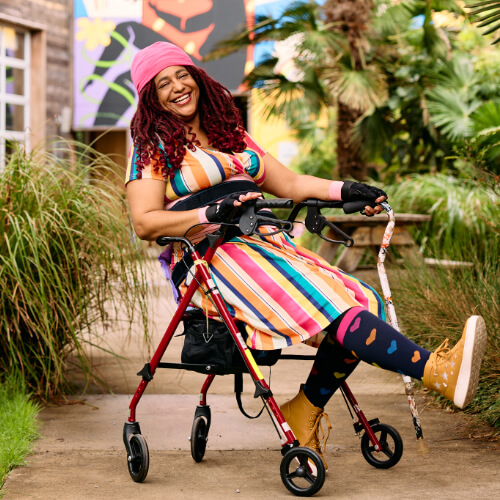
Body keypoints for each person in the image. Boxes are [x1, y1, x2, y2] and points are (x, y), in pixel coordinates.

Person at [125, 42, 488, 470]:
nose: (177, 87)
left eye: (181, 74)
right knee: (335, 308)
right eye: (162, 83)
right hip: (212, 258)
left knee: (362, 301)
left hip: (265, 244)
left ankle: (304, 409)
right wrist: (209, 212)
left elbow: (292, 183)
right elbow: (145, 223)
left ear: (196, 76)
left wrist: (347, 189)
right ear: (151, 97)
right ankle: (436, 372)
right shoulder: (154, 147)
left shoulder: (230, 134)